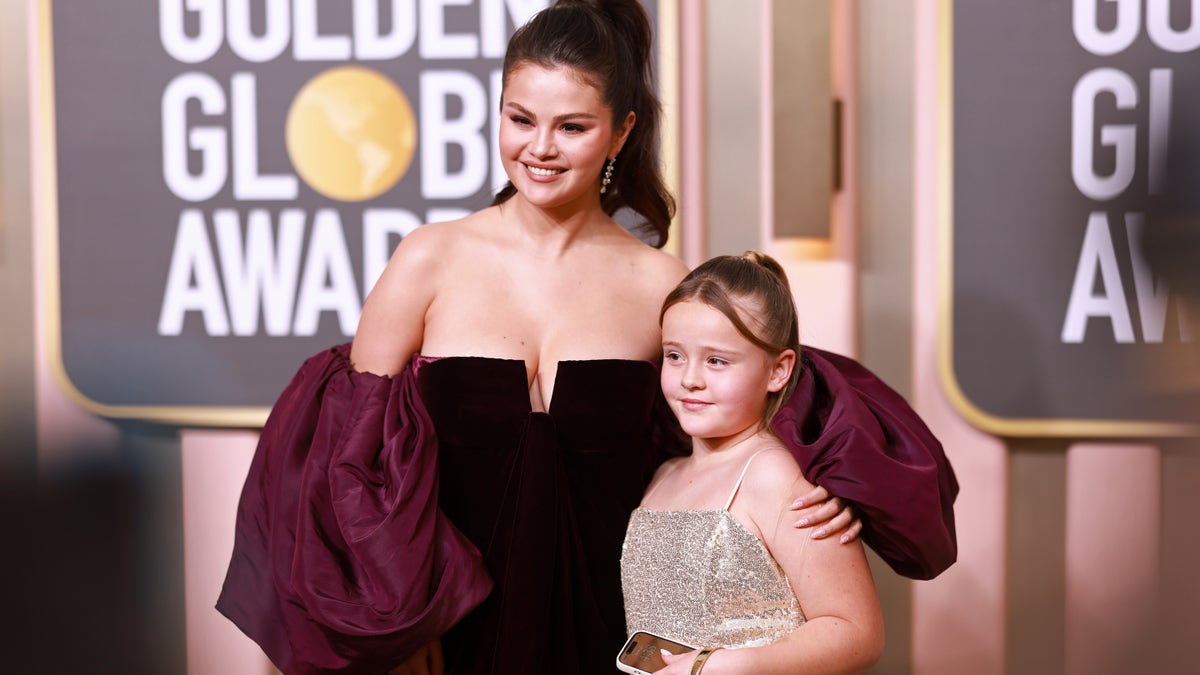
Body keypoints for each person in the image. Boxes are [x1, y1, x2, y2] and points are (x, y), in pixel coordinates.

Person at [216, 2, 955, 674]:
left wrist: (829, 487)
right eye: (519, 118)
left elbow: (736, 419)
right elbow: (349, 465)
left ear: (623, 131)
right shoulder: (428, 260)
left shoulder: (658, 281)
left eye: (572, 126)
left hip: (619, 635)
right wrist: (392, 629)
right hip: (447, 634)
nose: (539, 148)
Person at [621, 252, 885, 674]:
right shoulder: (664, 473)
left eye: (717, 361)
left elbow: (857, 631)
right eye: (674, 355)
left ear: (778, 371)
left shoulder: (774, 476)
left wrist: (726, 666)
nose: (690, 378)